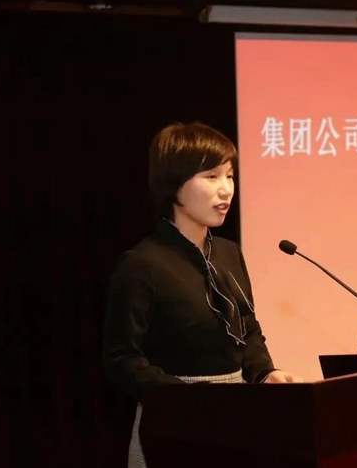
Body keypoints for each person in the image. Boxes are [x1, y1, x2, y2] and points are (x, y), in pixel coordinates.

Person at [101, 121, 302, 468]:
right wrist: (189, 400)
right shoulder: (141, 264)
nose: (226, 190)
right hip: (175, 426)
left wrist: (264, 373)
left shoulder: (228, 252)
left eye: (230, 176)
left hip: (236, 418)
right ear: (173, 182)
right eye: (211, 176)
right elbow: (122, 359)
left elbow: (247, 328)